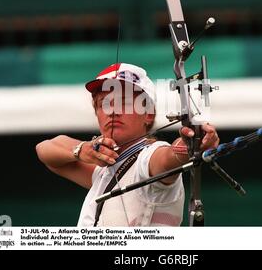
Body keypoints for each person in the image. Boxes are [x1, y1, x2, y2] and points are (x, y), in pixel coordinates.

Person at [35, 63, 220, 226]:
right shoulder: (103, 170)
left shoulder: (148, 159)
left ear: (148, 114)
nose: (112, 111)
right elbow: (45, 149)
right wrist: (82, 150)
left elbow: (169, 157)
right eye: (103, 104)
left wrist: (192, 142)